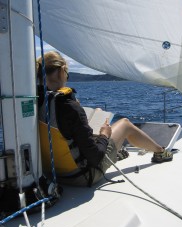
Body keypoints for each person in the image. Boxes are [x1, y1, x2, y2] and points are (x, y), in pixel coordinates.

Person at [37, 51, 173, 186]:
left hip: (52, 174)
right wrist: (104, 135)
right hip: (82, 176)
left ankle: (117, 153)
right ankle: (160, 152)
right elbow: (95, 158)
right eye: (67, 73)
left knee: (95, 122)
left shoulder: (36, 102)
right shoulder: (69, 107)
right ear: (61, 71)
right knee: (125, 124)